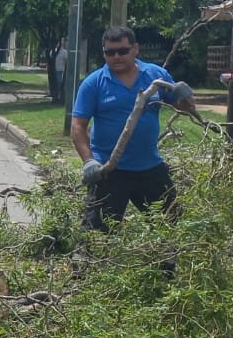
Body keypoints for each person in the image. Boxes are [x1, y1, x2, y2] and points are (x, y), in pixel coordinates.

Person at [70, 26, 196, 230]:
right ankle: (87, 261)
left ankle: (167, 263)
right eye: (109, 52)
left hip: (149, 168)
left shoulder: (155, 75)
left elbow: (185, 109)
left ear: (135, 49)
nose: (116, 57)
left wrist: (185, 96)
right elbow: (78, 126)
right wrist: (89, 161)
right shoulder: (94, 83)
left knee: (171, 229)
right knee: (96, 238)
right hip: (109, 171)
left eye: (122, 51)